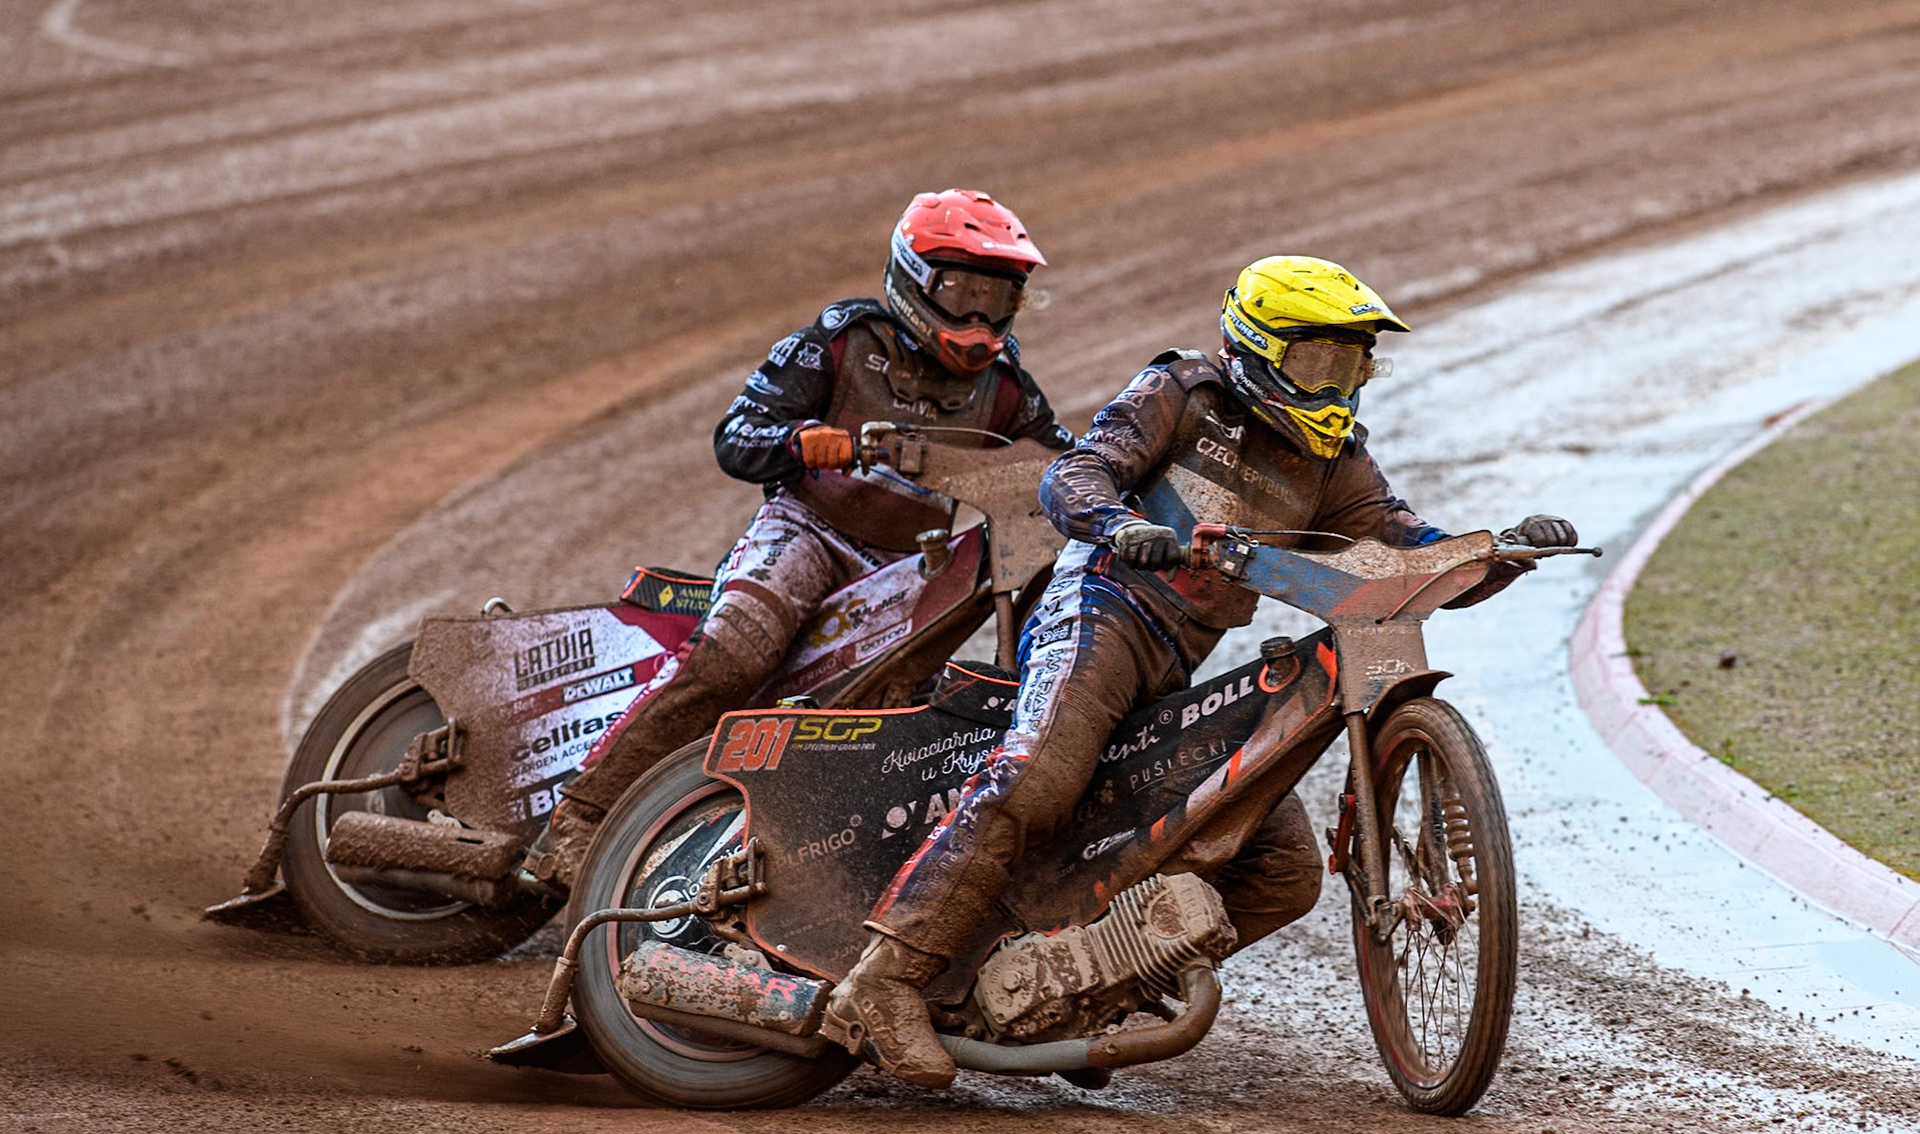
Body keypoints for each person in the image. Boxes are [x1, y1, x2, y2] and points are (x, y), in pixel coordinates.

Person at [823, 255, 1578, 1087]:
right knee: (1040, 777)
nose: (1333, 385)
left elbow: (1403, 547)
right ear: (1258, 346)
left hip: (1180, 659)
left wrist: (1497, 552)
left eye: (1350, 364)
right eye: (1315, 362)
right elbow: (1072, 473)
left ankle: (1093, 986)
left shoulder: (1336, 462)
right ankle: (883, 980)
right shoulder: (1182, 395)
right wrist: (1117, 524)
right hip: (1102, 609)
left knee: (1284, 868)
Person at [524, 190, 1072, 889]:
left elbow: (1067, 465)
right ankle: (578, 815)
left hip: (904, 567)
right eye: (960, 291)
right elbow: (735, 435)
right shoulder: (841, 341)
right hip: (805, 531)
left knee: (898, 720)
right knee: (732, 658)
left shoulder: (1007, 389)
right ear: (913, 279)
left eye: (996, 300)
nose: (976, 317)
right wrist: (801, 442)